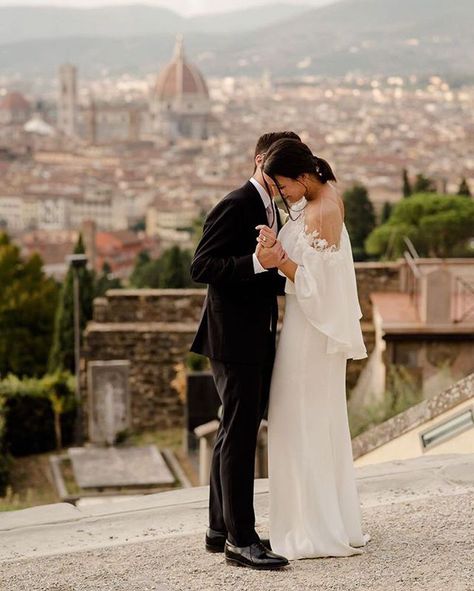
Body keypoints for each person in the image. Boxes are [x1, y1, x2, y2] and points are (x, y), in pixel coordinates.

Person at [189, 131, 301, 570]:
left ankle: (220, 528)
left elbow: (263, 271)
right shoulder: (237, 203)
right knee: (239, 436)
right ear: (260, 161)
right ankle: (242, 539)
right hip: (233, 337)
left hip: (248, 333)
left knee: (232, 429)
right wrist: (260, 262)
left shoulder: (269, 205)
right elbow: (201, 266)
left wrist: (279, 270)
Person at [256, 138, 371, 560]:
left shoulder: (321, 212)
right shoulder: (323, 196)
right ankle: (316, 519)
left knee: (298, 421)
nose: (283, 195)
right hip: (307, 330)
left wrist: (277, 260)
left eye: (284, 186)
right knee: (310, 421)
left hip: (308, 333)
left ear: (303, 177)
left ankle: (312, 528)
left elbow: (316, 288)